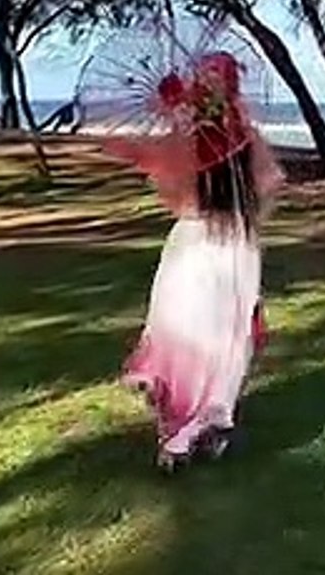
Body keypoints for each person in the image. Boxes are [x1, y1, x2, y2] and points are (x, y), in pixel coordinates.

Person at [104, 51, 282, 472]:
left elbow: (175, 194)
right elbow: (271, 185)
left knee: (183, 332)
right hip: (236, 244)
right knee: (224, 337)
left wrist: (169, 126)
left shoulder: (184, 139)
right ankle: (212, 419)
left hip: (194, 241)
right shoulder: (245, 134)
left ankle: (177, 433)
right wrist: (248, 225)